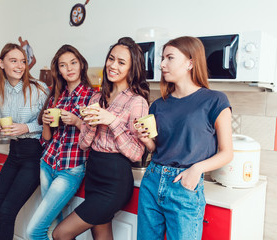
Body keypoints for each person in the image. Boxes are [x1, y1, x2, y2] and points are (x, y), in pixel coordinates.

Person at [52, 37, 150, 240]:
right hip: (94, 173)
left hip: (115, 179)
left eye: (121, 62)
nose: (113, 65)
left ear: (132, 68)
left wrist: (112, 121)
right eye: (111, 59)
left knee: (61, 234)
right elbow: (83, 144)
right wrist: (90, 124)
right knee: (101, 236)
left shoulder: (136, 102)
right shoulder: (97, 98)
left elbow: (137, 153)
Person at [136, 36, 233, 240]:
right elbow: (158, 148)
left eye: (170, 58)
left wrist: (196, 169)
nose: (162, 64)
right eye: (162, 58)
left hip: (184, 185)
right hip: (152, 180)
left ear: (190, 62)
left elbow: (227, 153)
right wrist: (146, 141)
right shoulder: (158, 104)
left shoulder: (215, 100)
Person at [26, 45, 95, 240]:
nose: (69, 68)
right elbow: (46, 138)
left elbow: (94, 137)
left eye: (73, 62)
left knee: (34, 231)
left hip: (71, 169)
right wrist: (47, 123)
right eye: (63, 65)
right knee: (57, 224)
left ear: (81, 64)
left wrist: (76, 121)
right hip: (47, 163)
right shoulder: (57, 95)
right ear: (59, 70)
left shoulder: (92, 96)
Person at [0, 43, 48, 240]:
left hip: (34, 155)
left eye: (23, 61)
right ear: (1, 63)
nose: (20, 66)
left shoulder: (39, 89)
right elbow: (6, 120)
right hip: (14, 152)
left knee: (6, 211)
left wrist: (26, 127)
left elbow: (52, 126)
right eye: (14, 61)